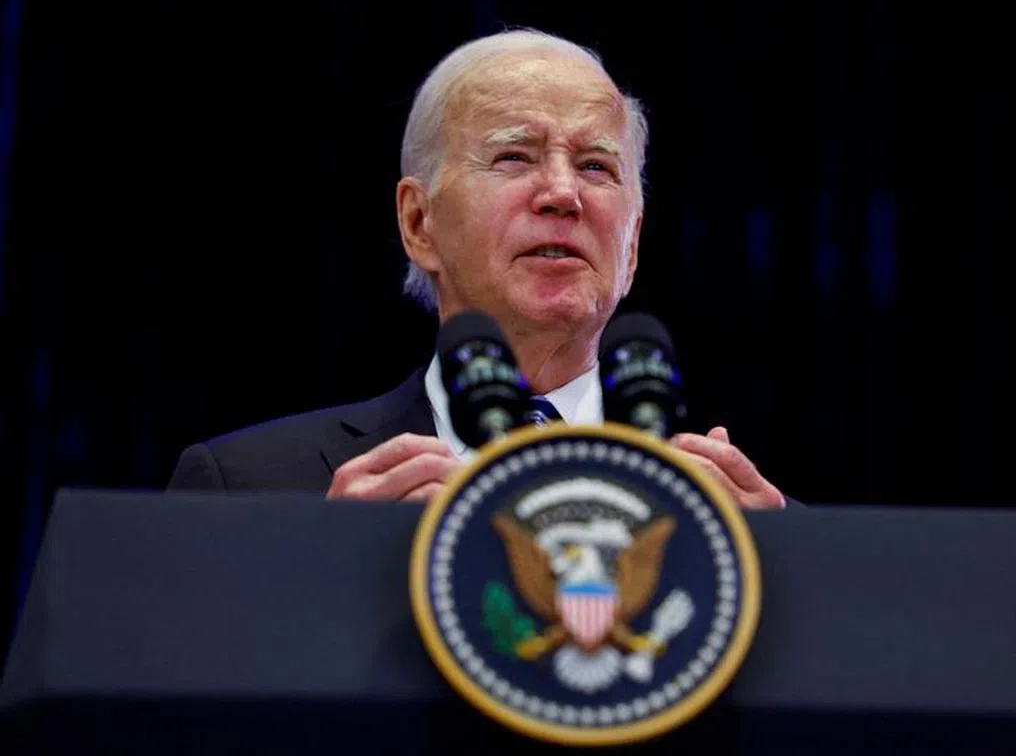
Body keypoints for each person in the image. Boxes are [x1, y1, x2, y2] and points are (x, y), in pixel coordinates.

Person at [167, 28, 791, 510]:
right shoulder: (246, 491)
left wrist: (785, 579)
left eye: (597, 167)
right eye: (514, 156)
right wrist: (330, 581)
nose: (562, 194)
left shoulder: (740, 524)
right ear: (418, 223)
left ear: (631, 247)